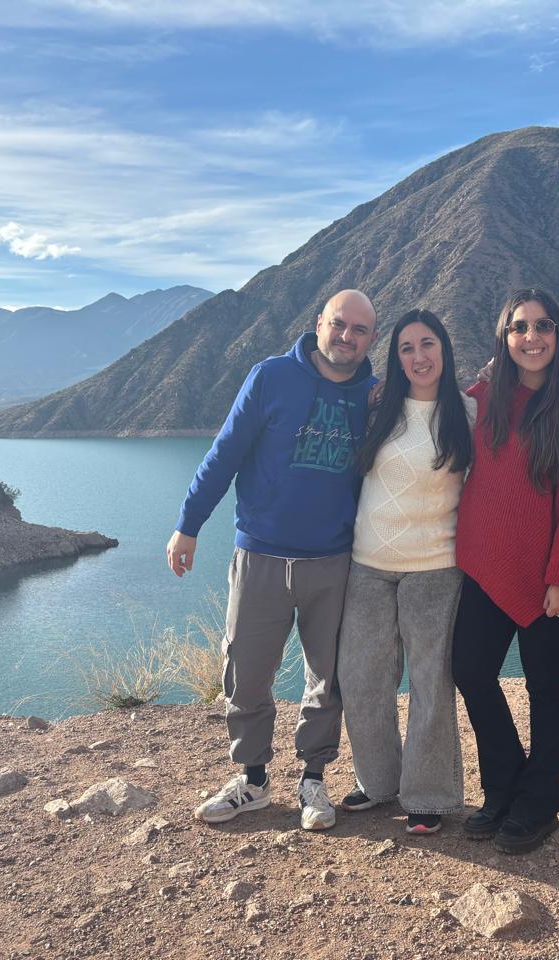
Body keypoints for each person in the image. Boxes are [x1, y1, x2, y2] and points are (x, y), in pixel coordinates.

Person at [166, 289, 377, 831]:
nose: (347, 337)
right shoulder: (270, 377)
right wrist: (188, 525)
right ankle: (254, 779)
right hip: (259, 554)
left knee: (326, 678)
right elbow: (224, 453)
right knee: (246, 672)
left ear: (371, 339)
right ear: (319, 323)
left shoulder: (375, 396)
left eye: (359, 330)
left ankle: (313, 778)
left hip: (332, 560)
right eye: (339, 325)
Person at [451, 288, 559, 855]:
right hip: (485, 570)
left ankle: (540, 804)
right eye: (519, 328)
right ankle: (505, 781)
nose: (531, 338)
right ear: (503, 337)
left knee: (545, 688)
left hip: (548, 580)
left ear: (558, 336)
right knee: (470, 669)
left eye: (542, 327)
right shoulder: (483, 397)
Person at [336, 309, 476, 835]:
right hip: (367, 565)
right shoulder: (378, 409)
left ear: (445, 350)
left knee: (429, 685)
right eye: (406, 349)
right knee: (362, 678)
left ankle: (428, 794)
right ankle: (378, 782)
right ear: (395, 359)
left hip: (435, 569)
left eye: (428, 345)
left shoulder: (468, 413)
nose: (418, 357)